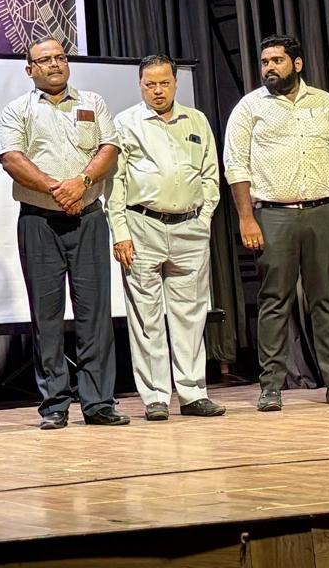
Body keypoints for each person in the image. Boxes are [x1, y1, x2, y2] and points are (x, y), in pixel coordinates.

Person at [223, 34, 329, 412]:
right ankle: (271, 387)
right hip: (274, 214)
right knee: (274, 301)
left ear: (297, 64)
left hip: (324, 212)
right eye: (265, 62)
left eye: (277, 61)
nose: (269, 68)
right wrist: (246, 218)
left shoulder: (325, 104)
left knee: (327, 300)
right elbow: (236, 166)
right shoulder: (249, 108)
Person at [0, 38, 128, 429]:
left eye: (60, 57)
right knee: (47, 316)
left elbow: (109, 148)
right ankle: (54, 403)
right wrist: (59, 190)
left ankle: (98, 402)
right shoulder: (18, 110)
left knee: (95, 314)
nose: (54, 64)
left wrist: (81, 183)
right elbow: (12, 159)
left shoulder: (92, 102)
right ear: (30, 70)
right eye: (45, 60)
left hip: (88, 219)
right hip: (39, 221)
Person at [106, 54, 225, 422]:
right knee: (146, 316)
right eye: (150, 84)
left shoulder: (197, 120)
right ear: (140, 85)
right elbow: (115, 182)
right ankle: (156, 396)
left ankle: (193, 393)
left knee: (191, 315)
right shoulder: (125, 122)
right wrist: (121, 233)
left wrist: (203, 219)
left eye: (164, 83)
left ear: (175, 83)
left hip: (189, 227)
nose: (157, 91)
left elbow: (210, 174)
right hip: (143, 224)